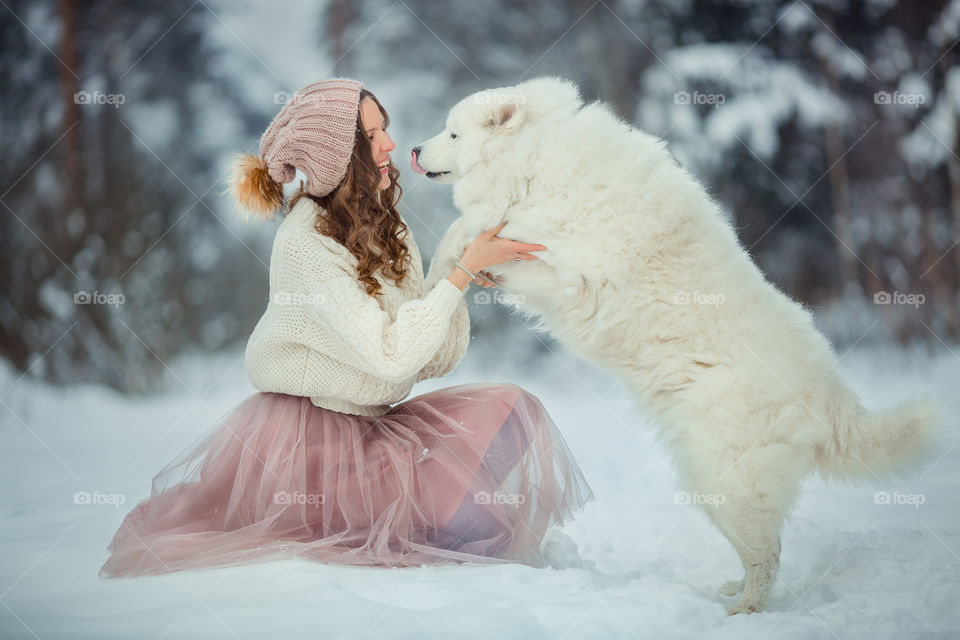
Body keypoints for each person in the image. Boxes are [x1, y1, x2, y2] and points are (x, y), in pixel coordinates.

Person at [99, 78, 593, 578]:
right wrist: (460, 272)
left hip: (376, 424)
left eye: (386, 130)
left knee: (513, 408)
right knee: (475, 530)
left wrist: (454, 273)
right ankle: (424, 523)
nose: (391, 145)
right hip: (310, 447)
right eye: (372, 135)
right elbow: (391, 357)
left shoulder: (385, 223)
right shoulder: (304, 244)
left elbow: (431, 358)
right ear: (339, 155)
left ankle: (434, 519)